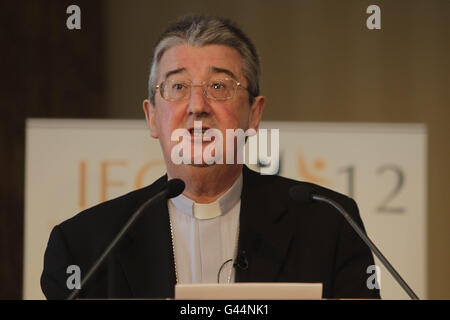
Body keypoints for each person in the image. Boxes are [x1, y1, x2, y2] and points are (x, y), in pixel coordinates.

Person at [41, 14, 380, 299]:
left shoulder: (329, 226)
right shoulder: (83, 247)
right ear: (151, 117)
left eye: (219, 86)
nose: (197, 106)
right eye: (177, 87)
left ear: (254, 113)